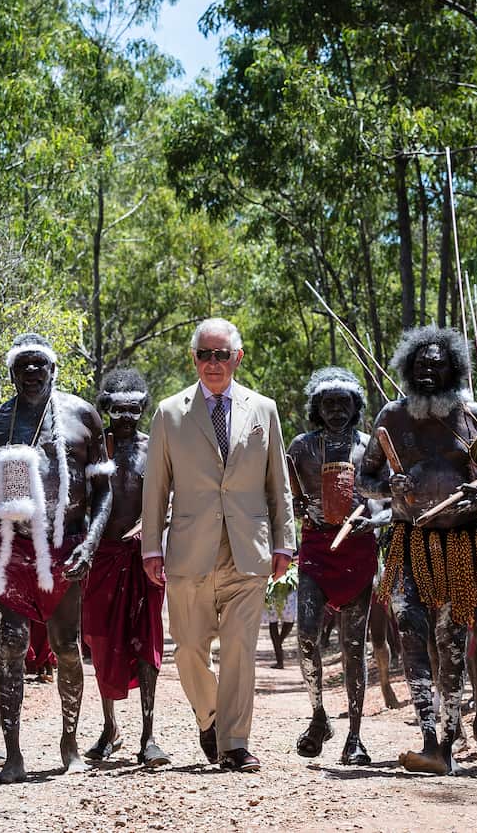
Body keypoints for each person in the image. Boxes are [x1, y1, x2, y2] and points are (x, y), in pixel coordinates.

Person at [140, 317, 294, 773]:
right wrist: (151, 547)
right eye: (204, 354)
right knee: (189, 648)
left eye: (221, 354)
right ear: (194, 358)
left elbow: (278, 484)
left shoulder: (264, 410)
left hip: (249, 549)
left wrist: (285, 542)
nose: (213, 362)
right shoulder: (169, 413)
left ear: (237, 358)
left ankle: (234, 743)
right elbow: (155, 488)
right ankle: (210, 718)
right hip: (189, 550)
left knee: (240, 649)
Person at [358, 326, 477, 775]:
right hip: (408, 541)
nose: (428, 371)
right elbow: (365, 479)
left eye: (437, 365)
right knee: (410, 630)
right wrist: (389, 487)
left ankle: (445, 745)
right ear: (408, 368)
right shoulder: (392, 417)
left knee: (452, 642)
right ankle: (428, 737)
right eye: (420, 364)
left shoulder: (473, 416)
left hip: (461, 544)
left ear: (453, 369)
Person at [0, 333, 112, 784]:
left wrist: (90, 544)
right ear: (11, 373)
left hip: (66, 544)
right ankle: (13, 755)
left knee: (66, 646)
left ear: (53, 369)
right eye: (23, 365)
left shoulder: (81, 416)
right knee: (9, 645)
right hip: (10, 546)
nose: (32, 372)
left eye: (39, 364)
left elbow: (103, 492)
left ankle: (70, 743)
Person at [287, 367, 386, 765]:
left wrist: (373, 521)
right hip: (316, 547)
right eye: (328, 404)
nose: (336, 411)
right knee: (306, 636)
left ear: (355, 405)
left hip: (357, 551)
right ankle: (318, 716)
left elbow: (386, 497)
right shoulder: (301, 448)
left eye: (344, 403)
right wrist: (294, 507)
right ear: (317, 407)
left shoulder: (369, 448)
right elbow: (284, 493)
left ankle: (355, 737)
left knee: (354, 646)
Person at [81, 368, 170, 767]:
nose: (127, 417)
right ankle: (109, 726)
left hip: (144, 557)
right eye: (118, 410)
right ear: (107, 410)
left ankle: (148, 736)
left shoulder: (155, 448)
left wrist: (154, 526)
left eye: (134, 409)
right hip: (102, 557)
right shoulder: (95, 450)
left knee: (147, 641)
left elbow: (172, 497)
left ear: (143, 409)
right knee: (101, 642)